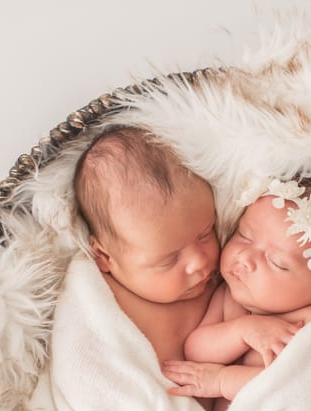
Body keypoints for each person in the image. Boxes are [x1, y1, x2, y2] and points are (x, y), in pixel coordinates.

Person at [162, 178, 311, 411]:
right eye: (244, 235)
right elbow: (197, 352)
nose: (245, 257)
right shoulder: (232, 297)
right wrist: (243, 331)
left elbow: (299, 390)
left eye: (277, 262)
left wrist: (222, 380)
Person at [73, 125, 220, 364]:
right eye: (169, 259)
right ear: (104, 257)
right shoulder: (99, 301)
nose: (199, 261)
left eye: (205, 234)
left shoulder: (223, 279)